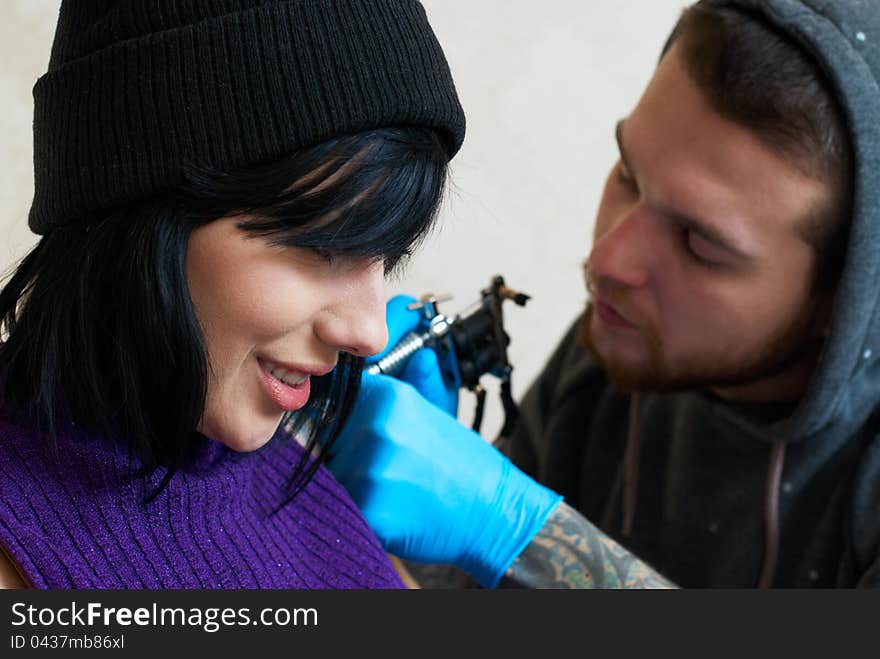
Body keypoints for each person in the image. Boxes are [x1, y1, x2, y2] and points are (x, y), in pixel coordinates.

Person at [326, 0, 880, 588]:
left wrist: (514, 531)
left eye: (699, 243)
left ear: (845, 303)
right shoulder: (622, 353)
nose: (607, 261)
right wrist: (428, 538)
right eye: (627, 175)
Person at [0, 0, 466, 589]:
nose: (369, 333)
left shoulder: (283, 475)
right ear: (138, 212)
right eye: (322, 247)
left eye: (386, 255)